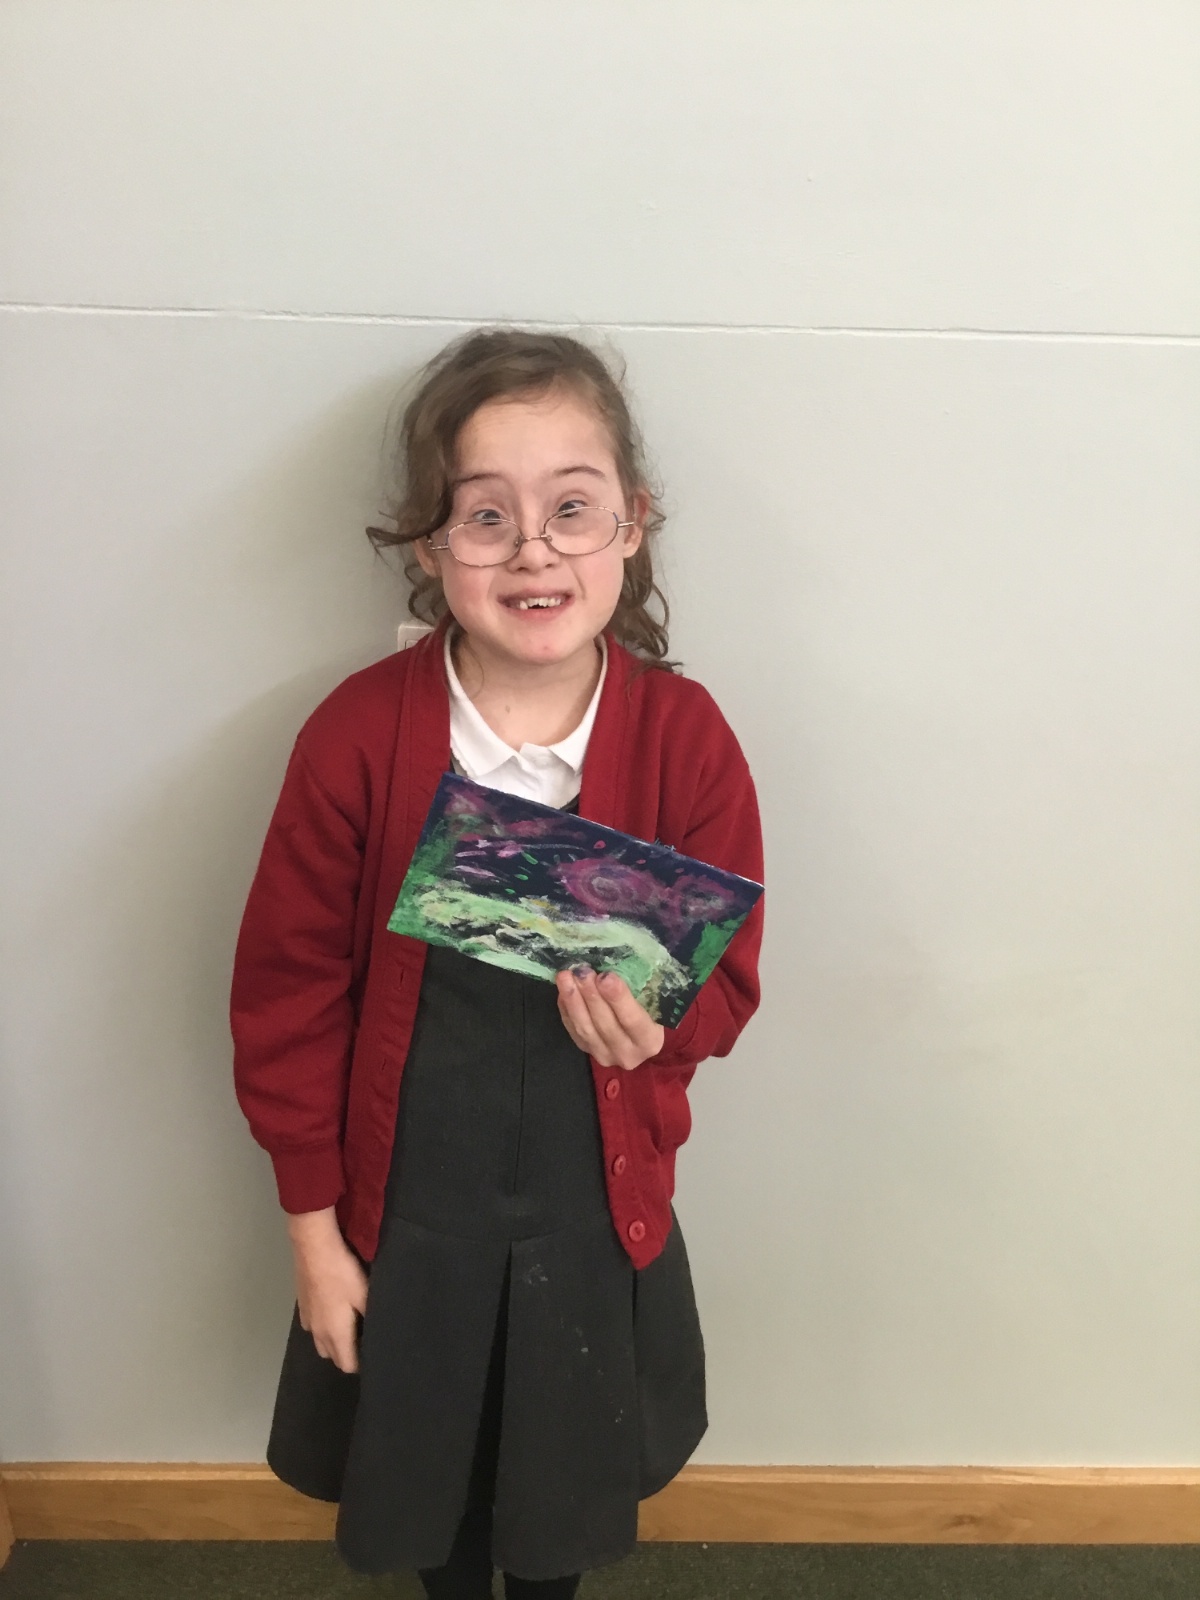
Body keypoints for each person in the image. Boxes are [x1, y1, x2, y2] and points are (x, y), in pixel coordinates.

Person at [230, 328, 764, 1599]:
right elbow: (287, 996)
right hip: (410, 1224)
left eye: (571, 508)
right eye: (485, 516)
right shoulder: (360, 737)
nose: (533, 549)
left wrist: (664, 1026)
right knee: (433, 1485)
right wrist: (315, 1232)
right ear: (430, 546)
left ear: (632, 524)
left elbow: (726, 980)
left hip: (588, 1214)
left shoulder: (684, 738)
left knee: (559, 1488)